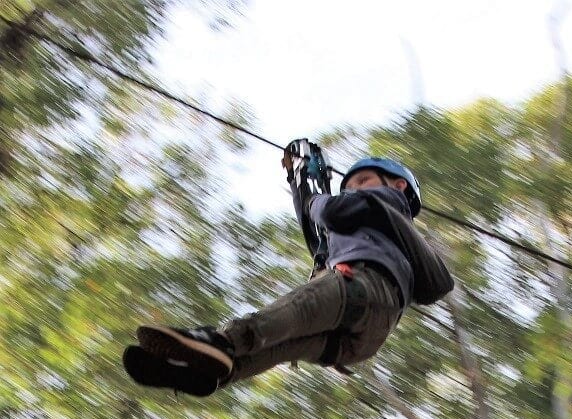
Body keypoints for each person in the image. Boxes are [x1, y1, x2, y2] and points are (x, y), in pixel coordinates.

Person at [123, 142, 454, 396]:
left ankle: (220, 341)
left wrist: (316, 199)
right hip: (363, 337)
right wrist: (301, 184)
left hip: (365, 287)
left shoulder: (386, 199)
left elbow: (330, 213)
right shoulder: (374, 228)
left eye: (361, 180)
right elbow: (320, 239)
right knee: (282, 346)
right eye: (348, 186)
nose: (352, 188)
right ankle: (204, 371)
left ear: (397, 186)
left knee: (293, 312)